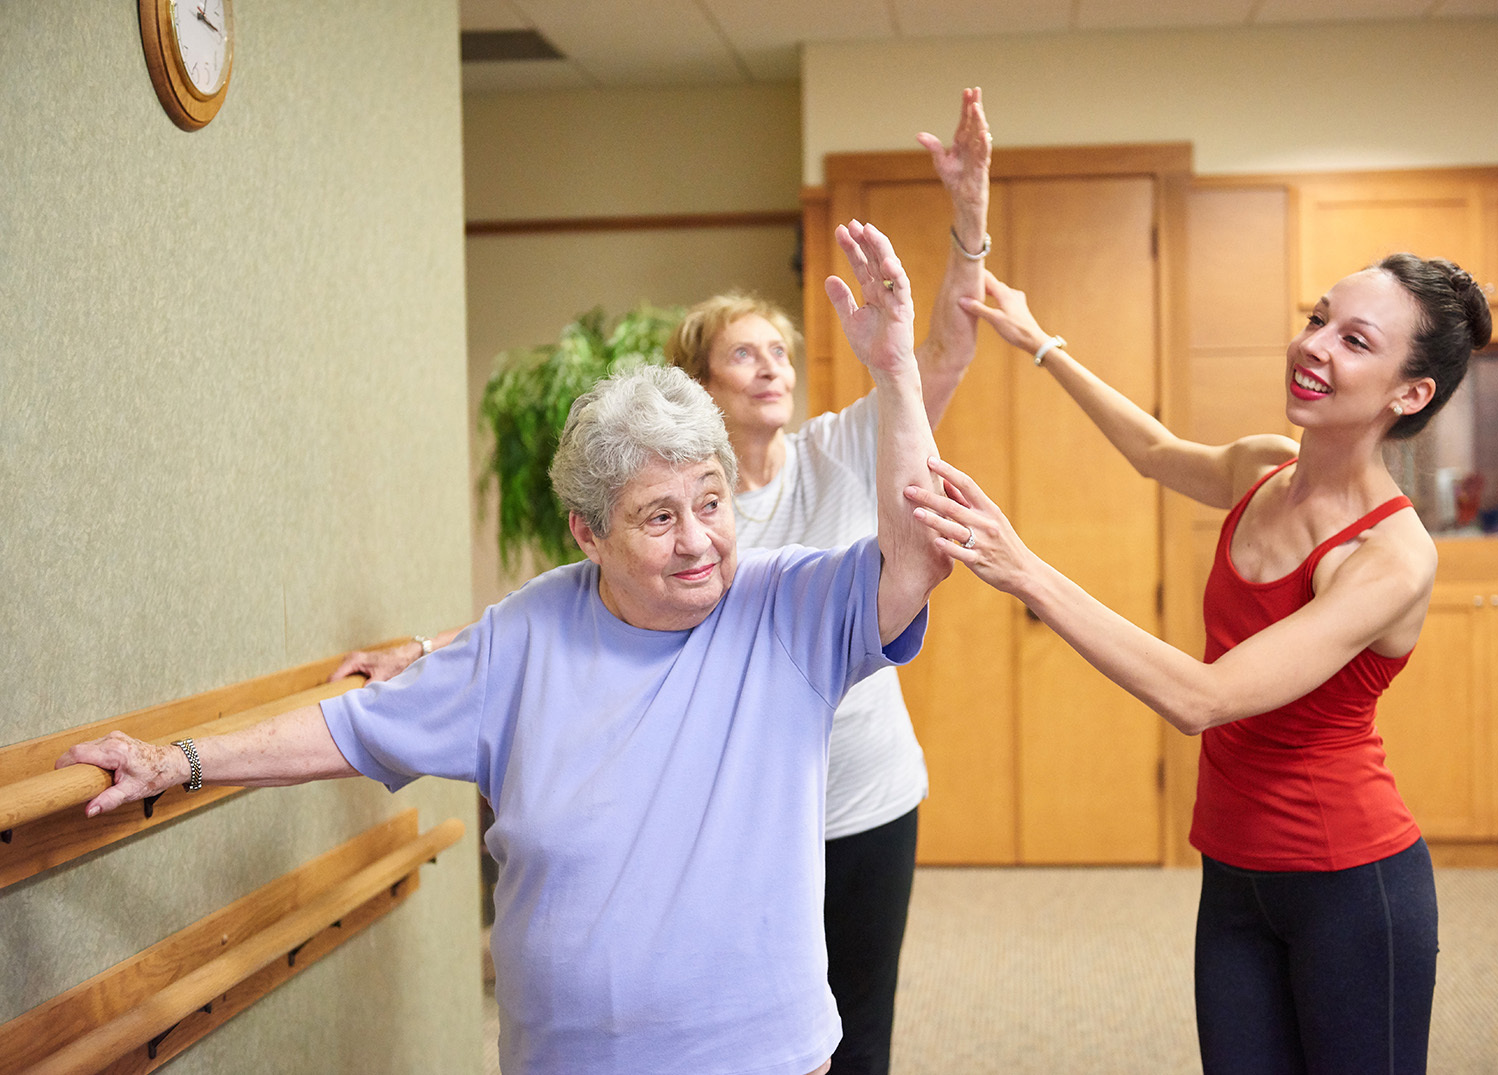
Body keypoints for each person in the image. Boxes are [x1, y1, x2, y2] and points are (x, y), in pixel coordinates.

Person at [59, 222, 952, 1075]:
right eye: (659, 516)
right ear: (589, 534)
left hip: (757, 1051)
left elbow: (914, 554)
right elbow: (348, 731)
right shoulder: (527, 633)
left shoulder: (784, 607)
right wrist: (176, 760)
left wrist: (896, 372)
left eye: (712, 503)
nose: (698, 542)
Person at [340, 87, 993, 1075]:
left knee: (853, 1041)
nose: (775, 366)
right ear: (696, 380)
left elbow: (938, 354)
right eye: (747, 353)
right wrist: (432, 653)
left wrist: (971, 212)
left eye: (781, 350)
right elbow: (572, 611)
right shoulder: (648, 499)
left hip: (858, 792)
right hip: (731, 814)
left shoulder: (835, 452)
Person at [905, 254, 1492, 1074]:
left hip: (1351, 887)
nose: (1314, 345)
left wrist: (1023, 567)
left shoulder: (1389, 556)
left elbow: (1206, 697)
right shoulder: (1262, 471)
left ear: (1409, 392)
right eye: (1318, 318)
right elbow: (1152, 450)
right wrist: (1041, 343)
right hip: (1233, 870)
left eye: (1354, 340)